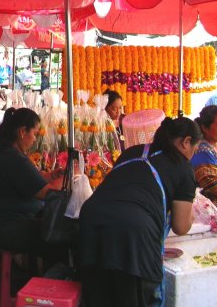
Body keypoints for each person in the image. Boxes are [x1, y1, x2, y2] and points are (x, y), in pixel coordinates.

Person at [79, 117, 201, 307]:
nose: (193, 154)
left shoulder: (133, 151)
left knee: (99, 295)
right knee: (132, 298)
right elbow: (181, 226)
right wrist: (191, 216)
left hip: (92, 219)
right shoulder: (183, 167)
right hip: (133, 231)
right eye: (195, 149)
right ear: (186, 142)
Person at [0, 108, 66, 268]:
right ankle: (49, 283)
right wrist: (68, 176)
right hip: (4, 227)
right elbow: (48, 192)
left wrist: (52, 175)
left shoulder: (10, 152)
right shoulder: (13, 158)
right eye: (34, 133)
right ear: (22, 132)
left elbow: (32, 178)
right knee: (57, 236)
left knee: (51, 226)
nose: (34, 139)